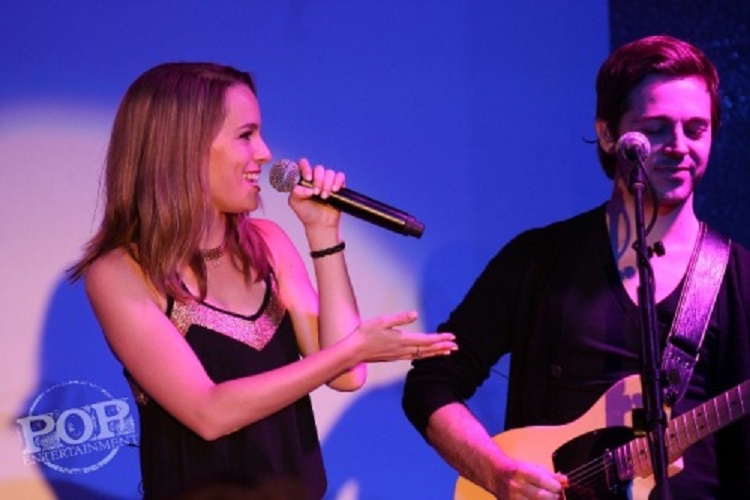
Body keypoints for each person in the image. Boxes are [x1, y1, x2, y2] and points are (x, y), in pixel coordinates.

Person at [68, 62, 457, 500]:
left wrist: (323, 233)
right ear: (184, 149)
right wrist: (354, 348)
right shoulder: (121, 273)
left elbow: (347, 375)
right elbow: (208, 412)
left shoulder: (268, 244)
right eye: (245, 135)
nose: (265, 153)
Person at [402, 34, 750, 499]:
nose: (678, 146)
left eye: (696, 129)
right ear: (607, 134)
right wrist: (495, 472)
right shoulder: (538, 259)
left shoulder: (737, 278)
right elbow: (430, 383)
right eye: (655, 129)